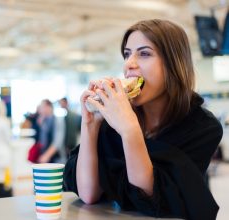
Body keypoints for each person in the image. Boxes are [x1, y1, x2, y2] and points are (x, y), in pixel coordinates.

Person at [63, 19, 223, 220]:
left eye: (144, 53)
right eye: (127, 54)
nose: (129, 64)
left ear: (174, 65)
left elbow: (152, 199)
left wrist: (129, 130)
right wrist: (91, 125)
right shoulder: (114, 114)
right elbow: (89, 194)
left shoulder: (202, 127)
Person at [37, 99, 66, 163]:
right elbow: (43, 140)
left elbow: (58, 141)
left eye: (42, 107)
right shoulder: (44, 120)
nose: (40, 110)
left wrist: (46, 156)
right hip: (47, 158)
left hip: (57, 158)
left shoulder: (58, 120)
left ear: (48, 107)